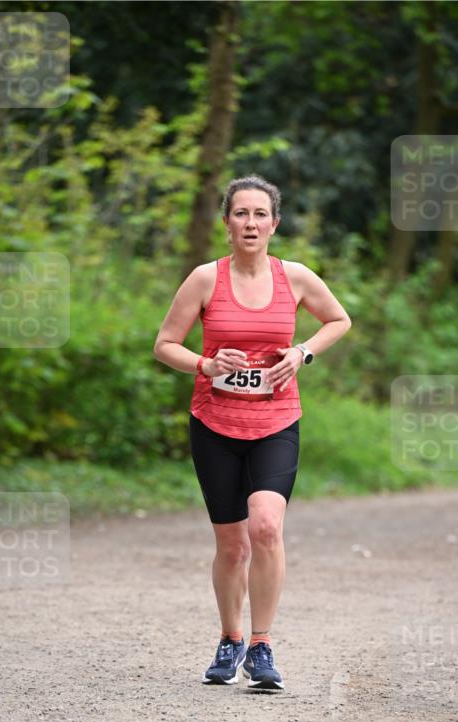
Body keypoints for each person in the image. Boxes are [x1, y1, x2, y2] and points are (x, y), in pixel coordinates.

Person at [153, 174, 351, 691]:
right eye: (241, 213)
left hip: (275, 422)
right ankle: (230, 637)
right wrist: (206, 364)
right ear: (226, 224)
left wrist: (301, 352)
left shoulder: (297, 278)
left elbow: (338, 320)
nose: (251, 223)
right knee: (232, 546)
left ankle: (261, 646)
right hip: (214, 424)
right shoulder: (204, 279)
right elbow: (165, 344)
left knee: (265, 526)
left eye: (260, 214)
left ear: (275, 224)